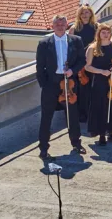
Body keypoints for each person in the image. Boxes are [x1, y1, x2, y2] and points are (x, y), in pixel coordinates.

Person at [36, 15, 86, 160]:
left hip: (69, 82)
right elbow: (40, 67)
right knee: (46, 117)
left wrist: (73, 71)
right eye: (57, 24)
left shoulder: (76, 41)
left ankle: (76, 143)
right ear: (53, 26)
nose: (60, 26)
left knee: (72, 115)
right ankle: (43, 148)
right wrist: (45, 85)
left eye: (62, 24)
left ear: (66, 25)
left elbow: (82, 60)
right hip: (51, 84)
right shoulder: (44, 43)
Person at [85, 23, 112, 144]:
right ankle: (101, 134)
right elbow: (87, 67)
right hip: (100, 80)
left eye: (108, 32)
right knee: (101, 106)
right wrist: (101, 71)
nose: (106, 34)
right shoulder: (92, 48)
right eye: (103, 32)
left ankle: (111, 132)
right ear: (99, 33)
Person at [69, 4, 98, 123]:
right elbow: (70, 47)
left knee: (94, 87)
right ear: (78, 15)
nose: (84, 15)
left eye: (86, 13)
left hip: (94, 61)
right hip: (80, 63)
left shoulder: (97, 27)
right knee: (81, 89)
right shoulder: (73, 28)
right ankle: (83, 114)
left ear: (91, 14)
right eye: (82, 13)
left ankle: (93, 112)